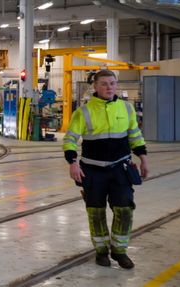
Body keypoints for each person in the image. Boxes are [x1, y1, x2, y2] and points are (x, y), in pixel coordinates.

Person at [63, 69, 149, 269]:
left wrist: (143, 159)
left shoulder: (126, 108)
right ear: (95, 86)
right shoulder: (84, 112)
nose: (109, 87)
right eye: (104, 83)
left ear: (116, 84)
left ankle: (119, 251)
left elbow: (135, 135)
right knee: (95, 212)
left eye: (112, 83)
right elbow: (70, 139)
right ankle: (101, 251)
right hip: (92, 171)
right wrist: (73, 163)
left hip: (121, 168)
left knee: (125, 209)